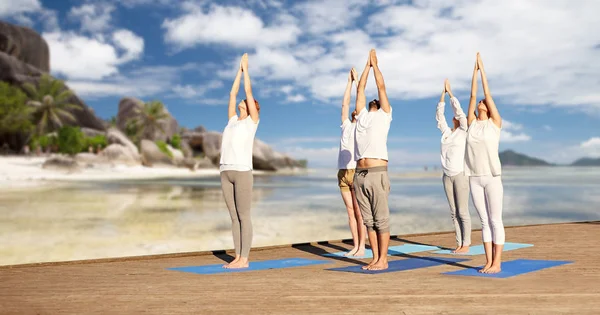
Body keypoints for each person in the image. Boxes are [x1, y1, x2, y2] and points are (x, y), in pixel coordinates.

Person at [353, 49, 393, 270]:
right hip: (360, 174)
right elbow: (360, 88)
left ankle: (384, 260)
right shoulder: (361, 116)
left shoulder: (385, 115)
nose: (373, 101)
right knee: (368, 220)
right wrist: (365, 67)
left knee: (381, 219)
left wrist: (375, 65)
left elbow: (381, 87)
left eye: (375, 101)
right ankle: (375, 258)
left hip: (377, 173)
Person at [219, 53, 260, 269]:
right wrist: (239, 70)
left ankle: (245, 259)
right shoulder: (233, 120)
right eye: (243, 102)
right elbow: (233, 93)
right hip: (225, 171)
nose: (243, 101)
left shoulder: (252, 122)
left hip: (243, 171)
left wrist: (247, 70)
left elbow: (247, 91)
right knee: (234, 217)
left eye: (247, 102)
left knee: (244, 215)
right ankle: (237, 256)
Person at [465, 53, 505, 274]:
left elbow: (486, 93)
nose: (480, 102)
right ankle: (488, 261)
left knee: (495, 219)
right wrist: (473, 72)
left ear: (488, 109)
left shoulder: (494, 124)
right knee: (483, 221)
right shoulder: (472, 124)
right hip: (474, 177)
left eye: (483, 102)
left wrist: (483, 70)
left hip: (492, 177)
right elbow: (472, 95)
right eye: (479, 102)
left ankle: (497, 263)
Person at [436, 79, 471, 254]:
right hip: (446, 175)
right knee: (453, 212)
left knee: (463, 211)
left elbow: (460, 112)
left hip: (460, 174)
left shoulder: (463, 131)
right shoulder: (447, 134)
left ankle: (466, 243)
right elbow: (439, 117)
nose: (454, 118)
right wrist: (442, 95)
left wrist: (451, 94)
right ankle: (459, 243)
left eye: (456, 117)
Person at [337, 67, 366, 257]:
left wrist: (357, 83)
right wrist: (349, 82)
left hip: (355, 171)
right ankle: (355, 246)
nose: (354, 111)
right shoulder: (346, 124)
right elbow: (345, 104)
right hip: (342, 172)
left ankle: (362, 247)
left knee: (359, 211)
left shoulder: (362, 127)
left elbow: (359, 99)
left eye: (357, 110)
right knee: (350, 212)